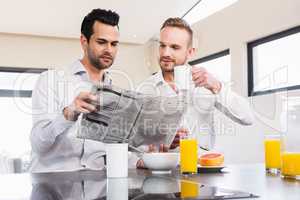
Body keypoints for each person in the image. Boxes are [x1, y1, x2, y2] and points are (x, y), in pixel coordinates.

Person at [136, 18, 254, 167]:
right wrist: (161, 140)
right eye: (162, 46)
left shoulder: (208, 81)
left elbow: (247, 118)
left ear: (190, 52)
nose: (165, 53)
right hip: (164, 171)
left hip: (204, 169)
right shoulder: (144, 89)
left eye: (174, 47)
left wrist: (216, 86)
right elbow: (135, 144)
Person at [29, 8, 136, 172]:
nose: (109, 49)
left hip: (99, 188)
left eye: (114, 44)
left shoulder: (116, 93)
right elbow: (38, 144)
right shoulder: (51, 80)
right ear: (84, 41)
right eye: (101, 42)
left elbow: (113, 150)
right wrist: (68, 114)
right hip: (53, 187)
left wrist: (140, 159)